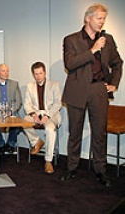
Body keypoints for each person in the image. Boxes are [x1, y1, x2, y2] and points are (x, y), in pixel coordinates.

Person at [60, 3, 123, 187]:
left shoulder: (108, 40)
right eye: (99, 18)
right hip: (77, 91)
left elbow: (118, 63)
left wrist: (114, 84)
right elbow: (70, 64)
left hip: (98, 91)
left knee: (99, 133)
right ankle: (71, 168)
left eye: (104, 19)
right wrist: (93, 50)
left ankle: (100, 171)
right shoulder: (71, 39)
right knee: (75, 133)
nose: (102, 22)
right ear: (88, 18)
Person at [23, 62, 62, 174]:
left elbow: (57, 104)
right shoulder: (30, 86)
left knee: (50, 129)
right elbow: (26, 104)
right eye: (36, 74)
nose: (38, 76)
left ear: (44, 72)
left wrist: (47, 116)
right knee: (24, 122)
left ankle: (48, 161)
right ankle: (37, 142)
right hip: (36, 114)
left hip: (51, 114)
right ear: (33, 74)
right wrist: (33, 115)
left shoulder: (54, 84)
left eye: (40, 73)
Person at [0, 63, 22, 154]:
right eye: (3, 71)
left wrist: (11, 111)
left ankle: (10, 144)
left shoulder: (14, 84)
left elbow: (18, 102)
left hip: (11, 112)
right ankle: (1, 144)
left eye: (7, 71)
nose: (6, 73)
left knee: (18, 124)